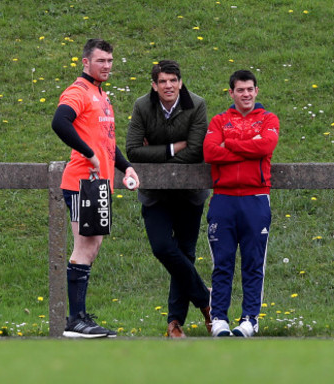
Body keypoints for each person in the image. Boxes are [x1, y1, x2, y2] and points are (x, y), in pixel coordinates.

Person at [51, 38, 140, 338]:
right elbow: (60, 122)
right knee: (85, 246)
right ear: (85, 62)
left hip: (98, 184)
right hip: (80, 182)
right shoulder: (78, 91)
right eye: (101, 61)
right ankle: (75, 320)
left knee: (94, 245)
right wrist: (88, 154)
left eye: (110, 61)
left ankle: (80, 317)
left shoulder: (101, 95)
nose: (107, 66)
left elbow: (107, 143)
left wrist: (125, 166)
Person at [126, 60, 211, 338]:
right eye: (162, 81)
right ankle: (206, 299)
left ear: (180, 82)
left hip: (189, 194)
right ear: (154, 85)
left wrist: (158, 155)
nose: (168, 86)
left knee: (185, 253)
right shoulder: (142, 106)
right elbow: (133, 151)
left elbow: (198, 151)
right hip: (155, 195)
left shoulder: (197, 105)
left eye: (173, 80)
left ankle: (174, 323)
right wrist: (175, 147)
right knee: (163, 248)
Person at [203, 69, 279, 337]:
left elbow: (266, 146)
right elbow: (210, 152)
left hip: (255, 199)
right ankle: (219, 319)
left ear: (256, 91)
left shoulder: (268, 119)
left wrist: (230, 144)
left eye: (250, 89)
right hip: (223, 200)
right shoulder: (219, 120)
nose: (246, 94)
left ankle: (249, 320)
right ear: (231, 93)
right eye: (240, 90)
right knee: (222, 262)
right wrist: (247, 144)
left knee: (253, 262)